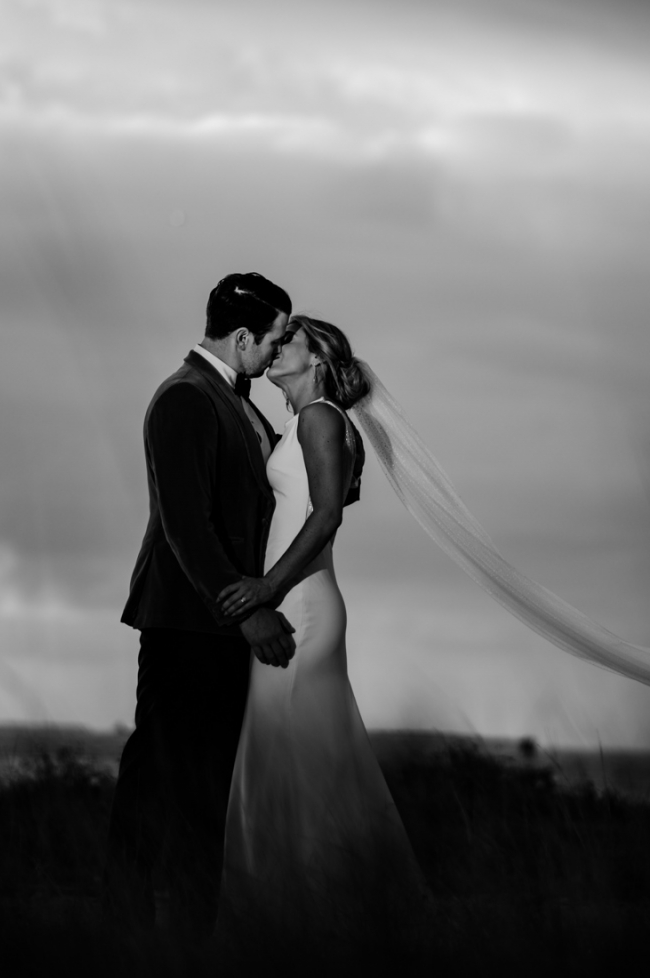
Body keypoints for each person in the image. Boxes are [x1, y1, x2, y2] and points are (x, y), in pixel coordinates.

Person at [215, 315, 424, 935]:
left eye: (289, 342)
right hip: (299, 602)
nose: (275, 349)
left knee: (303, 767)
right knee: (295, 762)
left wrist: (265, 590)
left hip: (300, 607)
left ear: (318, 360)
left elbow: (328, 514)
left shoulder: (320, 418)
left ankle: (323, 919)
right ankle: (300, 917)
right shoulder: (303, 422)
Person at [105, 272, 298, 933]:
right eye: (272, 340)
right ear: (242, 335)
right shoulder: (185, 398)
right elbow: (188, 526)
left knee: (207, 790)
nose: (275, 352)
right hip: (185, 623)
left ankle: (191, 933)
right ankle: (124, 932)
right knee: (158, 783)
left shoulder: (236, 401)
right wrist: (247, 610)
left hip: (215, 629)